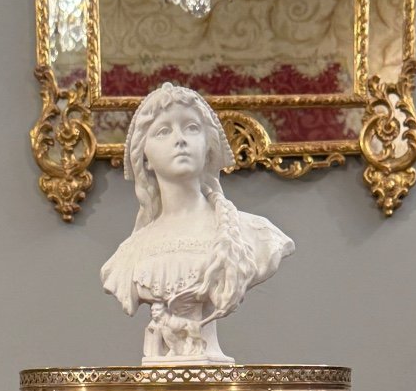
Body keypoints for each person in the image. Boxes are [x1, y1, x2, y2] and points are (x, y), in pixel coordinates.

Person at [101, 83, 294, 365]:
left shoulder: (253, 234)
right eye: (163, 131)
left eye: (191, 127)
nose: (180, 139)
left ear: (208, 145)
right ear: (145, 158)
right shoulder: (128, 255)